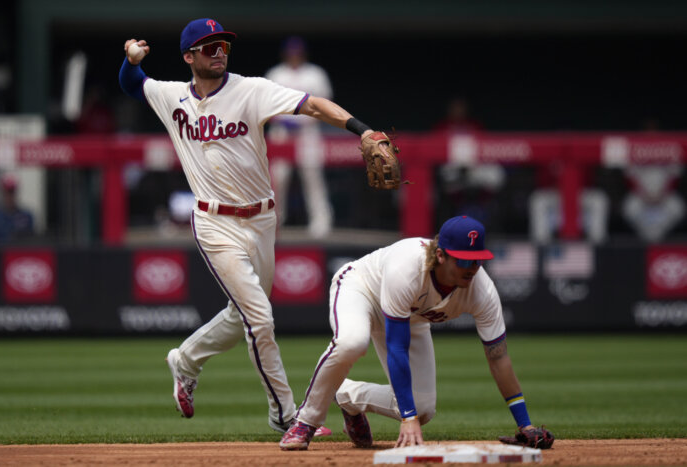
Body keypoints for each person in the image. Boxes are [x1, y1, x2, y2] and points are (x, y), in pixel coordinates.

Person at [118, 18, 386, 434]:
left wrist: (362, 129)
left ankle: (185, 360)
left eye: (223, 44)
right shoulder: (172, 97)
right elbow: (134, 84)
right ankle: (286, 415)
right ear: (189, 57)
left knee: (238, 316)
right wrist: (131, 60)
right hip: (213, 223)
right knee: (259, 319)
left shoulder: (252, 89)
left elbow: (313, 105)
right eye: (208, 47)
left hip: (261, 220)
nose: (219, 51)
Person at [279, 215, 552, 450]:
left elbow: (498, 358)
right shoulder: (408, 269)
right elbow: (396, 347)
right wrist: (406, 419)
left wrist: (525, 424)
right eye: (463, 261)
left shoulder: (482, 291)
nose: (472, 268)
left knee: (423, 409)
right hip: (362, 290)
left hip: (410, 315)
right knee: (352, 342)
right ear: (441, 255)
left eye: (477, 260)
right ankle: (306, 421)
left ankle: (348, 396)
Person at [265, 36, 334, 238]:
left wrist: (303, 120)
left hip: (308, 130)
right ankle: (274, 222)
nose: (294, 56)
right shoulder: (275, 73)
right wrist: (282, 120)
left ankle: (321, 222)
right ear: (285, 54)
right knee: (277, 178)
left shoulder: (315, 74)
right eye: (291, 52)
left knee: (312, 176)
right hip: (281, 131)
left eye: (298, 53)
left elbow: (325, 104)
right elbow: (265, 105)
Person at [0, 174, 34, 242]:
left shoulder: (26, 216)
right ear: (2, 192)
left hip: (18, 251)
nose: (9, 196)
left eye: (12, 192)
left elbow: (31, 241)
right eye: (7, 192)